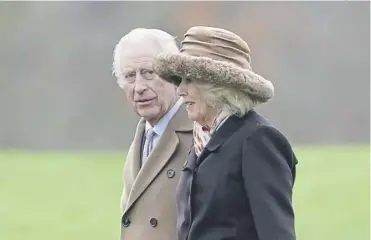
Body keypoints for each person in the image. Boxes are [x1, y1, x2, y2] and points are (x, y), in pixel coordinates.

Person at [153, 26, 298, 240]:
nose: (180, 90)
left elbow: (276, 232)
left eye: (189, 80)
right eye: (180, 80)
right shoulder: (202, 139)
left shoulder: (258, 139)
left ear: (218, 85)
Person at [112, 28, 193, 240]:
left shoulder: (200, 135)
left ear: (174, 75)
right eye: (130, 76)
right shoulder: (140, 139)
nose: (139, 87)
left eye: (149, 73)